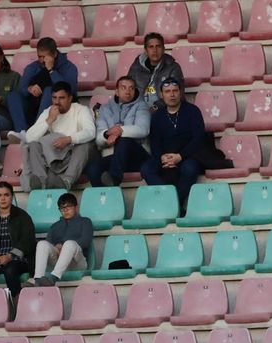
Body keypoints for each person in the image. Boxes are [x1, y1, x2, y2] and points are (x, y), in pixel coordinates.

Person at [142, 78, 205, 213]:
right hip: (165, 156)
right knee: (146, 169)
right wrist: (162, 157)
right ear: (161, 95)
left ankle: (172, 204)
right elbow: (155, 142)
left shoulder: (193, 111)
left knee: (190, 168)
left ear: (180, 92)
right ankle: (171, 202)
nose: (172, 95)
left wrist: (180, 156)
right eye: (168, 91)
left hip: (187, 155)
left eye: (175, 91)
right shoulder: (157, 116)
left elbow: (198, 139)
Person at [22, 82, 94, 191]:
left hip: (73, 157)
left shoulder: (81, 110)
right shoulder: (49, 112)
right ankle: (41, 183)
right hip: (54, 158)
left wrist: (69, 139)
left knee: (84, 145)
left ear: (70, 98)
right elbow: (29, 137)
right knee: (34, 145)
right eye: (54, 98)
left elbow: (90, 132)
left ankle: (67, 181)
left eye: (61, 98)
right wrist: (49, 120)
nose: (57, 102)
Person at [7, 37, 78, 141]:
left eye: (45, 57)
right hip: (32, 108)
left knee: (49, 91)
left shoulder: (69, 67)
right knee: (12, 96)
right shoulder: (32, 67)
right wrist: (29, 89)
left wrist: (51, 70)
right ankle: (22, 132)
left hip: (56, 112)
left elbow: (70, 91)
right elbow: (21, 89)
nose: (42, 60)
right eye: (39, 56)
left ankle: (37, 131)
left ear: (54, 54)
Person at [87, 76, 150, 188]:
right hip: (115, 157)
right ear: (116, 91)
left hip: (137, 156)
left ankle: (114, 180)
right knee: (93, 168)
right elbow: (98, 139)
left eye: (131, 88)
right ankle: (106, 199)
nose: (128, 91)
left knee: (125, 141)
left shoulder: (142, 105)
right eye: (124, 88)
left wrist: (118, 132)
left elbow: (143, 129)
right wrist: (107, 134)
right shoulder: (105, 108)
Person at [29, 192, 91, 287]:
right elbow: (48, 245)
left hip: (77, 262)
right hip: (57, 261)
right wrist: (56, 247)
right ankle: (38, 279)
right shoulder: (55, 226)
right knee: (42, 244)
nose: (65, 210)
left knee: (69, 244)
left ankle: (53, 278)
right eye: (62, 208)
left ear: (76, 207)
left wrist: (64, 246)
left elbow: (85, 241)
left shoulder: (85, 221)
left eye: (68, 207)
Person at [128, 31, 183, 112]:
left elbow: (178, 94)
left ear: (164, 49)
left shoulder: (173, 67)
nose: (155, 50)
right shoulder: (136, 67)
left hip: (164, 111)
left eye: (158, 46)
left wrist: (156, 107)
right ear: (146, 50)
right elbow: (128, 90)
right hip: (139, 111)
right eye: (151, 47)